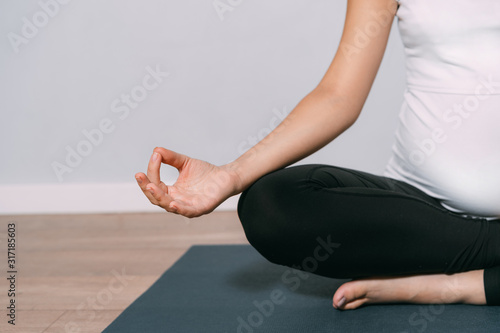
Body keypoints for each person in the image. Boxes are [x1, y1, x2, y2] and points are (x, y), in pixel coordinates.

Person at [135, 0, 500, 310]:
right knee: (269, 206)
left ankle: (456, 285)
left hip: (438, 237)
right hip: (419, 206)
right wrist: (229, 176)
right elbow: (338, 97)